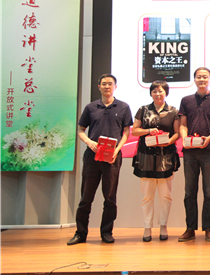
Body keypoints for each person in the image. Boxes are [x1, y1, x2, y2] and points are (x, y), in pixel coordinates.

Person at [68, 74, 133, 245]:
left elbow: (126, 132)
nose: (107, 86)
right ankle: (80, 233)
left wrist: (117, 149)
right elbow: (80, 130)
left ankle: (106, 232)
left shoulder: (124, 107)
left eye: (110, 84)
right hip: (92, 157)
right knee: (85, 198)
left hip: (112, 157)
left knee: (110, 198)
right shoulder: (91, 107)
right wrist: (89, 142)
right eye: (104, 84)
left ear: (115, 86)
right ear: (99, 87)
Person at [178, 67, 210, 242]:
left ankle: (208, 228)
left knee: (209, 192)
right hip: (190, 152)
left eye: (205, 77)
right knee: (189, 192)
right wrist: (185, 139)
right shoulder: (186, 100)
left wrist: (209, 138)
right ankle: (190, 228)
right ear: (194, 79)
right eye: (199, 77)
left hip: (209, 151)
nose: (202, 79)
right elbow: (183, 124)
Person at [131, 80, 181, 242]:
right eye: (154, 91)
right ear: (150, 93)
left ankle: (163, 226)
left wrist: (169, 142)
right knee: (147, 196)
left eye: (161, 91)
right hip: (145, 157)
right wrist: (148, 131)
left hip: (166, 157)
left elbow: (177, 133)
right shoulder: (143, 110)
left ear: (166, 93)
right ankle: (147, 228)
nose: (158, 94)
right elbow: (135, 131)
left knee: (166, 196)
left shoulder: (173, 111)